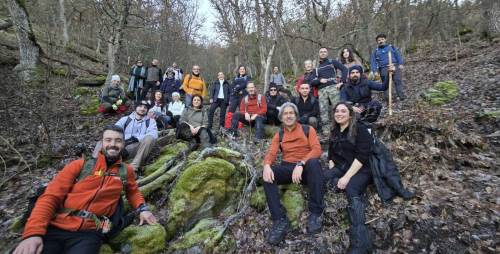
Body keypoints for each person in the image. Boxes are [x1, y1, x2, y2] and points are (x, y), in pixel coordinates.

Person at [13, 125, 157, 254]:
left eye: (118, 141)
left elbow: (132, 192)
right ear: (101, 143)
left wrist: (142, 209)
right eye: (108, 140)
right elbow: (50, 196)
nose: (113, 144)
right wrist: (33, 234)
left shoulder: (126, 171)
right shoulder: (79, 165)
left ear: (123, 144)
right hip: (55, 227)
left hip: (90, 233)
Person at [262, 102, 324, 245]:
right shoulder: (280, 134)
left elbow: (316, 150)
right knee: (267, 174)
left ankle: (315, 213)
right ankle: (280, 220)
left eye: (291, 113)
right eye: (285, 113)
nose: (288, 116)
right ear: (281, 117)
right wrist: (266, 165)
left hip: (307, 167)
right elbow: (271, 153)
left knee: (314, 163)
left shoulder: (307, 129)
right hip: (288, 168)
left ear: (296, 116)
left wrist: (301, 163)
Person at [326, 102, 374, 253]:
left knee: (351, 188)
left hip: (361, 169)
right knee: (323, 179)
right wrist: (331, 162)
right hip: (341, 166)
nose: (339, 114)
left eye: (343, 111)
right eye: (337, 111)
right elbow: (330, 151)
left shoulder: (360, 129)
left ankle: (361, 241)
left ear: (350, 114)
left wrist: (346, 178)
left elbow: (361, 157)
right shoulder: (335, 130)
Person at [94, 100, 158, 172]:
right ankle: (93, 164)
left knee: (150, 138)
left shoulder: (150, 121)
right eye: (140, 106)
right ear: (136, 107)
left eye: (145, 108)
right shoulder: (125, 119)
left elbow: (153, 134)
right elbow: (114, 130)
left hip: (137, 147)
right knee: (101, 142)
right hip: (121, 146)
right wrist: (122, 143)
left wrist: (136, 139)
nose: (142, 109)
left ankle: (134, 167)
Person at [312, 47, 348, 136]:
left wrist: (342, 82)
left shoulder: (332, 62)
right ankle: (326, 131)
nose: (323, 53)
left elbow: (345, 69)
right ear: (319, 54)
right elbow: (312, 81)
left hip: (333, 88)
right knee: (323, 110)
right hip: (321, 90)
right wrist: (319, 80)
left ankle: (341, 127)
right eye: (321, 52)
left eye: (324, 52)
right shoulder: (316, 68)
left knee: (337, 108)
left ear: (327, 53)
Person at [370, 34, 406, 101]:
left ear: (385, 39)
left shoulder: (391, 47)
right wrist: (374, 71)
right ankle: (388, 98)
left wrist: (400, 63)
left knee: (397, 80)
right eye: (379, 40)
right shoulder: (376, 51)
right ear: (377, 42)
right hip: (383, 68)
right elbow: (373, 61)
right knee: (386, 83)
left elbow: (398, 55)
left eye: (382, 39)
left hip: (394, 66)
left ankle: (401, 96)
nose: (381, 41)